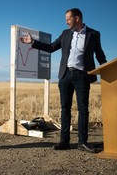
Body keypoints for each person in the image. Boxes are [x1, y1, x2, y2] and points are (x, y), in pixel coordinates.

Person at [19, 8, 107, 153]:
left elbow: (99, 53)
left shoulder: (93, 34)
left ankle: (82, 142)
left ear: (77, 18)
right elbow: (51, 47)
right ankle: (64, 141)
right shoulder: (65, 34)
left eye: (68, 19)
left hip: (82, 76)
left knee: (83, 109)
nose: (66, 22)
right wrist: (33, 42)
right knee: (65, 109)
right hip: (65, 75)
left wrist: (106, 68)